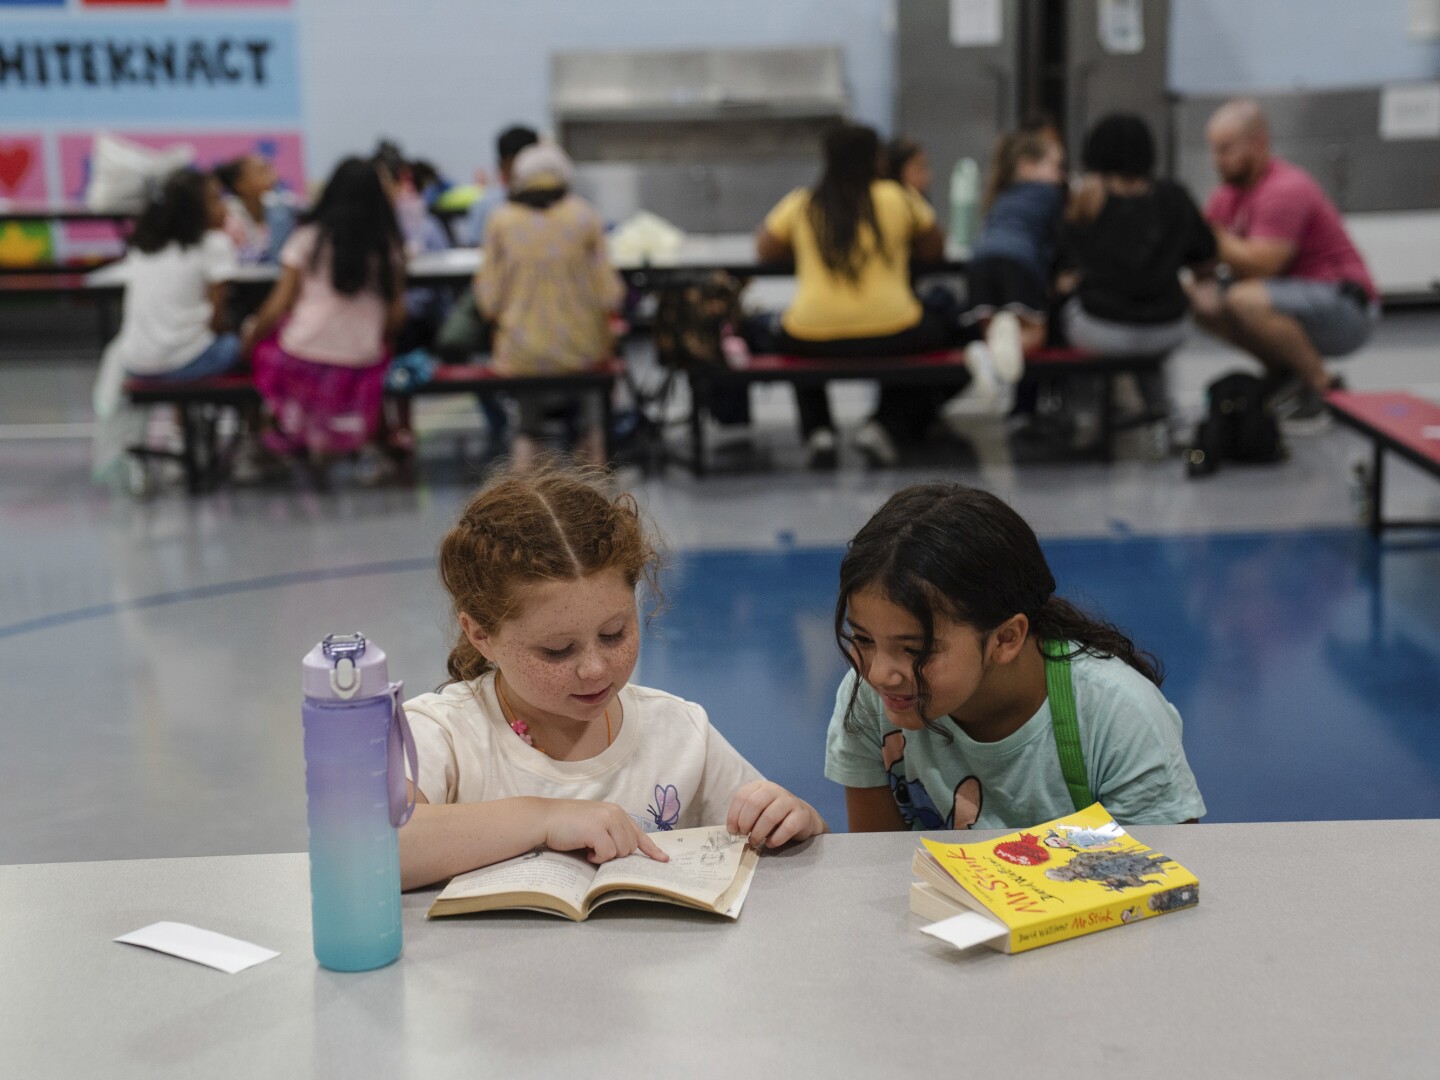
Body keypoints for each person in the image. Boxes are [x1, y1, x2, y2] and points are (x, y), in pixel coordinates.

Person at [398, 465, 827, 889]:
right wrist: (544, 817)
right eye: (557, 650)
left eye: (614, 633)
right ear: (480, 635)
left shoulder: (679, 733)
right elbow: (374, 849)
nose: (595, 669)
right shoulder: (444, 733)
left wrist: (797, 822)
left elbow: (796, 866)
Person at [824, 483, 1206, 831]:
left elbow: (1163, 886)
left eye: (915, 650)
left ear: (1006, 638)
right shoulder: (868, 701)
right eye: (862, 638)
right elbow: (875, 868)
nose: (880, 672)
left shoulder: (1119, 717)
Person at [752, 123, 958, 469]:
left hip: (812, 333)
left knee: (788, 331)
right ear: (876, 159)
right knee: (942, 331)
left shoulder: (805, 203)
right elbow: (934, 247)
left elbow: (765, 248)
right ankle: (884, 424)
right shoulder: (896, 197)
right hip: (892, 329)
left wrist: (805, 249)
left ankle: (819, 431)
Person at [1192, 98, 1378, 425]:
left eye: (1227, 150)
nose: (1217, 161)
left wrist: (1213, 238)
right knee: (1200, 300)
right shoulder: (1228, 196)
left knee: (1244, 299)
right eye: (1214, 151)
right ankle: (1287, 374)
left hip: (1346, 306)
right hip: (1293, 298)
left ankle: (1324, 391)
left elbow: (1264, 266)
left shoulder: (1284, 188)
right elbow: (1202, 256)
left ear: (1259, 143)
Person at [240, 157, 408, 486]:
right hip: (362, 361)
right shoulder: (389, 246)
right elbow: (397, 316)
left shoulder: (308, 239)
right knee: (377, 357)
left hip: (302, 356)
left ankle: (273, 441)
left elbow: (276, 307)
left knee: (267, 354)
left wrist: (249, 341)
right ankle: (366, 444)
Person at [1056, 114, 1218, 429]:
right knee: (1144, 324)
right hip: (1168, 328)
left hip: (1101, 330)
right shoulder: (1174, 195)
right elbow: (1206, 258)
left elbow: (1061, 270)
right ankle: (1161, 411)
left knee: (1069, 312)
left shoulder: (1083, 198)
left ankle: (1084, 412)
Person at [474, 143, 625, 470]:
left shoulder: (500, 222)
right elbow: (611, 294)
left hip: (521, 354)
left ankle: (528, 438)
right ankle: (594, 441)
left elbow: (488, 301)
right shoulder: (585, 216)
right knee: (591, 351)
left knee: (527, 349)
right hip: (583, 350)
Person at [960, 126, 1067, 399]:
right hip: (1019, 263)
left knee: (994, 331)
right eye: (1055, 165)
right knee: (1033, 333)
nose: (1060, 174)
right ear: (1027, 166)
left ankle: (985, 355)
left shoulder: (999, 197)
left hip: (980, 262)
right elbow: (1058, 242)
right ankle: (993, 363)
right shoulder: (1051, 194)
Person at [214, 153, 298, 265]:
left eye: (271, 169)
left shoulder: (282, 207)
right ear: (240, 184)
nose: (273, 176)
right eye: (262, 171)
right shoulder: (226, 217)